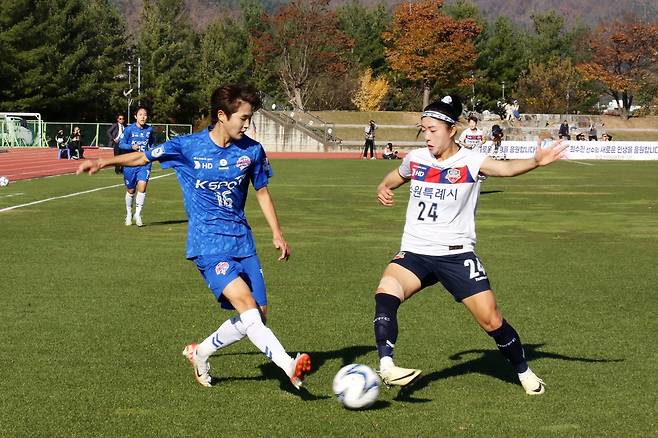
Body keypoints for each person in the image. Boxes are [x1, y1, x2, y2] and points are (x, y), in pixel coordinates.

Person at [76, 84, 311, 390]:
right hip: (208, 244)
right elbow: (142, 157)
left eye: (249, 118)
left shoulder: (252, 150)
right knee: (247, 307)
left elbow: (262, 192)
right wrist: (104, 161)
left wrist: (278, 233)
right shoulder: (188, 146)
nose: (247, 124)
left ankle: (201, 352)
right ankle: (288, 366)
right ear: (222, 116)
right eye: (243, 117)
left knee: (259, 317)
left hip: (242, 241)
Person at [372, 95, 568, 395]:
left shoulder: (471, 161)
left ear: (452, 130)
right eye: (423, 129)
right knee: (386, 292)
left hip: (456, 255)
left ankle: (524, 371)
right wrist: (383, 187)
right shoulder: (416, 159)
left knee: (491, 320)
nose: (427, 136)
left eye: (433, 130)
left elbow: (506, 169)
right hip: (415, 252)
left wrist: (535, 162)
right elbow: (396, 176)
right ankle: (387, 366)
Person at [118, 106, 156, 227]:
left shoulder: (150, 129)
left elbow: (152, 144)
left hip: (144, 163)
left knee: (143, 187)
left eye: (145, 114)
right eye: (140, 114)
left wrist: (153, 152)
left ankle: (138, 214)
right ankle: (129, 213)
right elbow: (121, 144)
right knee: (131, 190)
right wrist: (131, 147)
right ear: (135, 116)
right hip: (130, 163)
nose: (143, 117)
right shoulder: (129, 130)